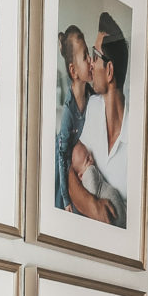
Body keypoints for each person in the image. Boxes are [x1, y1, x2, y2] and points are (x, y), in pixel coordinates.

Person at [68, 14, 129, 226]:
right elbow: (68, 168)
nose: (91, 64)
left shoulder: (138, 141)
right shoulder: (93, 107)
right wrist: (93, 206)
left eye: (95, 56)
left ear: (110, 71)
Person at [55, 26, 94, 212]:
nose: (91, 60)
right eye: (86, 56)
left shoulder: (93, 98)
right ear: (74, 71)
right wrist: (66, 200)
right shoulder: (68, 112)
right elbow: (62, 156)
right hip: (67, 177)